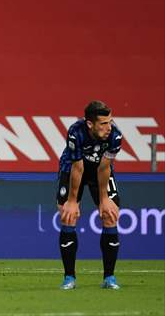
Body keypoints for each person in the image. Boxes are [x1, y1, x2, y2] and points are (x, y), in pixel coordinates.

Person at [57, 100, 122, 290]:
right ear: (90, 124)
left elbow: (104, 167)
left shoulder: (115, 137)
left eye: (110, 122)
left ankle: (109, 278)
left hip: (99, 171)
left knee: (110, 214)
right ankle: (69, 278)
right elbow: (78, 168)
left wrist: (103, 199)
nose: (108, 127)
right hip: (72, 169)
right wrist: (71, 201)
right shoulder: (76, 133)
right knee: (68, 215)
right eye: (103, 123)